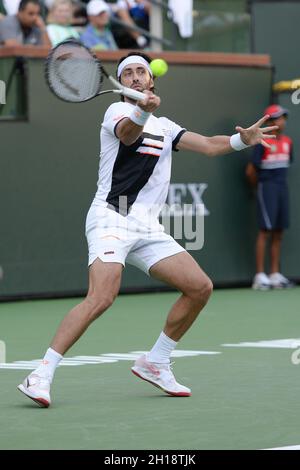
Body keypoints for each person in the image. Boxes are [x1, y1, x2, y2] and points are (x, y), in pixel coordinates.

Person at [17, 52, 277, 407]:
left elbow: (208, 146)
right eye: (129, 74)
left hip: (147, 226)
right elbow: (127, 135)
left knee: (199, 287)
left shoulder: (166, 127)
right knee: (102, 297)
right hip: (111, 217)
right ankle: (41, 374)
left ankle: (156, 361)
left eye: (142, 71)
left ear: (151, 80)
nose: (137, 77)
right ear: (122, 84)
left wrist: (242, 140)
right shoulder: (117, 113)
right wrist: (143, 110)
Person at [246, 104, 294, 290]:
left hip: (282, 189)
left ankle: (274, 274)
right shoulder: (262, 143)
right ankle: (260, 276)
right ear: (270, 122)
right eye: (277, 118)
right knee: (265, 231)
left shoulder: (288, 142)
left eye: (282, 118)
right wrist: (260, 187)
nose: (281, 121)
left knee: (279, 231)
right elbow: (250, 171)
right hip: (267, 189)